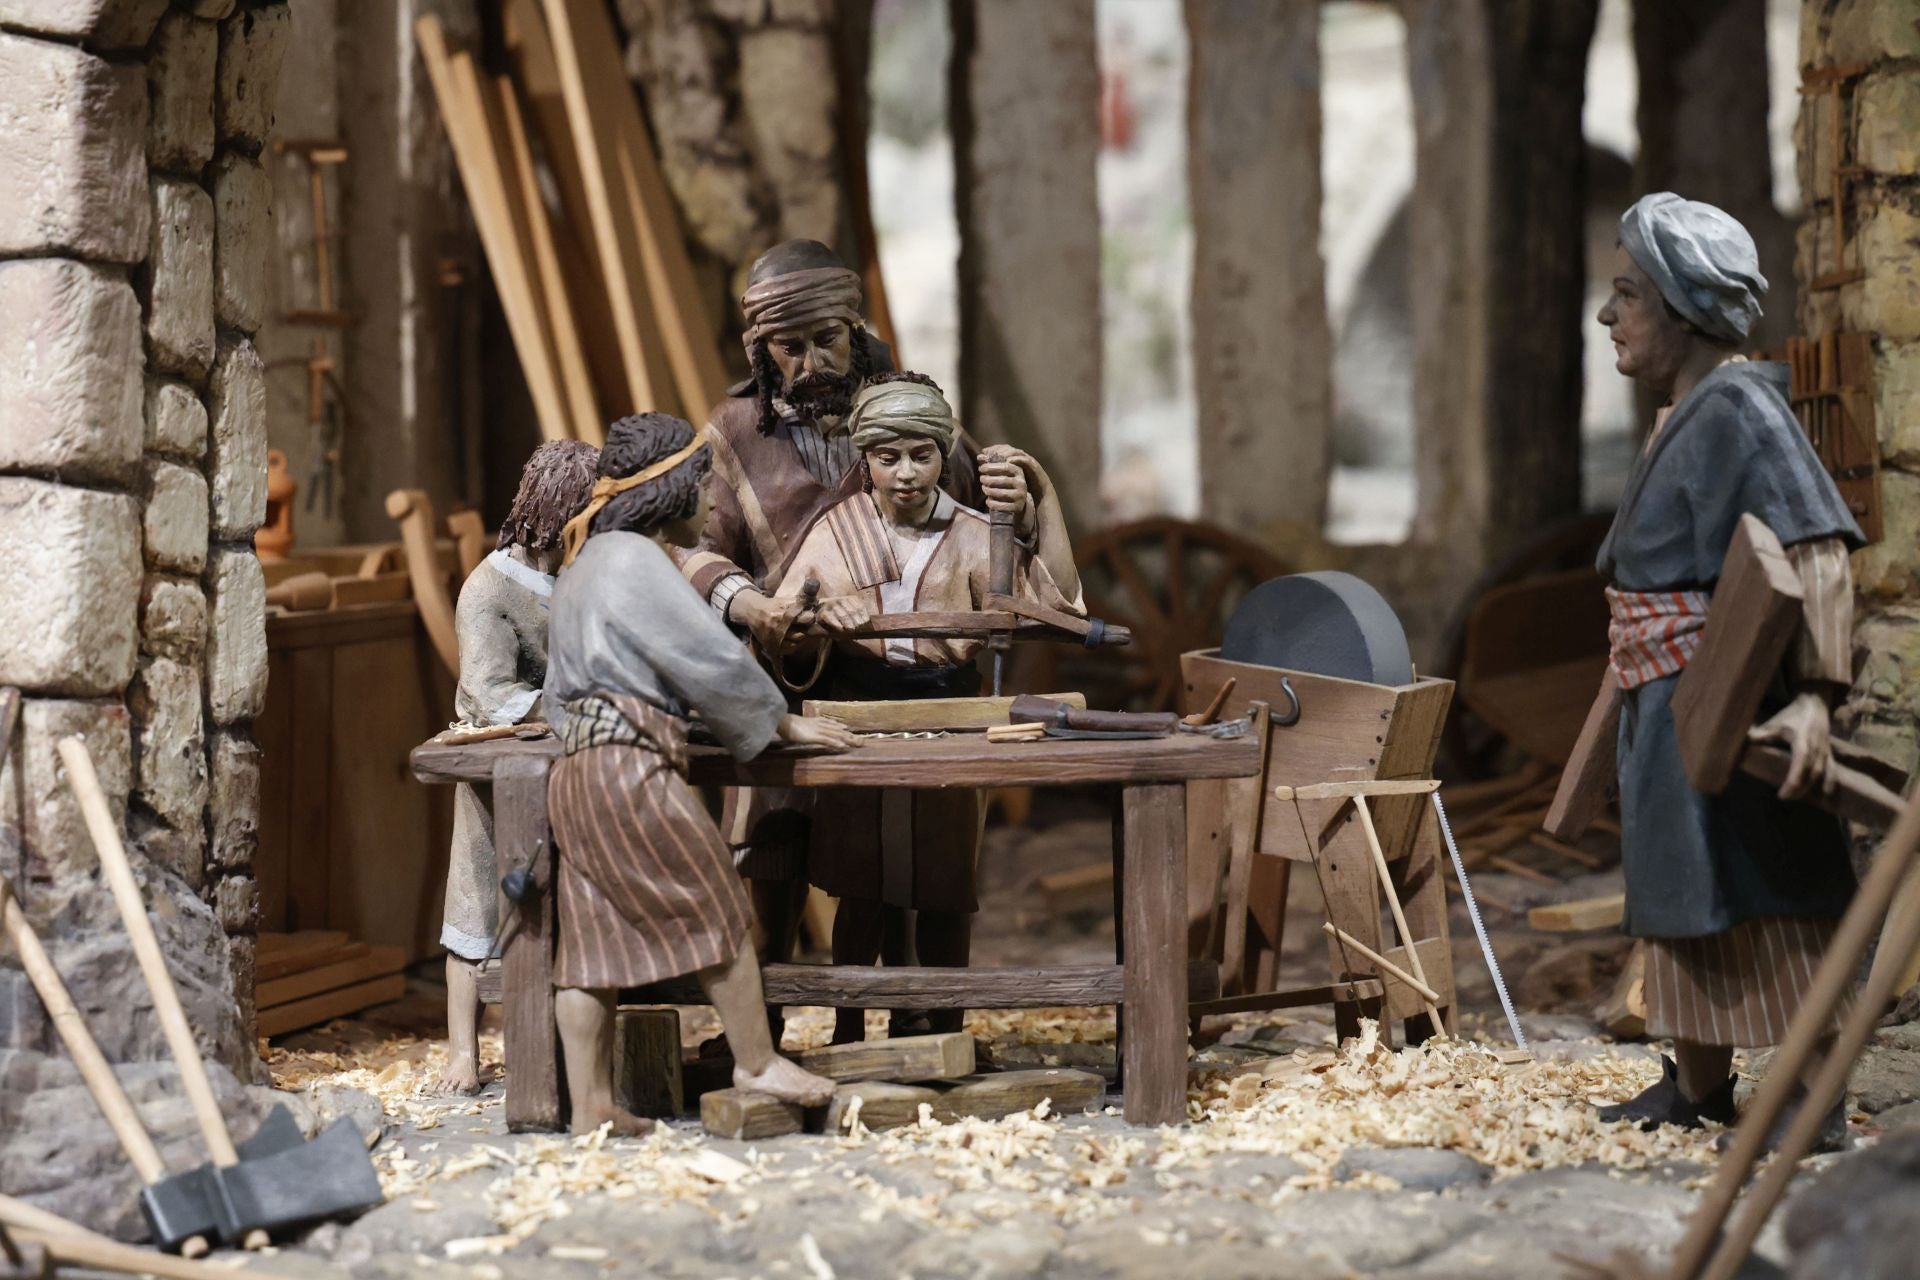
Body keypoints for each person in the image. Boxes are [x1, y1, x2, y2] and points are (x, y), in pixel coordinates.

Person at [675, 239, 1036, 984]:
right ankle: (761, 1035)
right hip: (786, 687)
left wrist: (1022, 503)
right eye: (790, 347)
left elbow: (984, 531)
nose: (811, 363)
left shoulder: (912, 413)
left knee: (920, 864)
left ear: (856, 327)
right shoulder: (736, 431)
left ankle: (928, 1015)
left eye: (827, 340)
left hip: (911, 688)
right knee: (769, 853)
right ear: (762, 349)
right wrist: (756, 606)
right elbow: (694, 550)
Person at [1590, 192, 1863, 1149]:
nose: (1607, 314)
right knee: (1681, 903)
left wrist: (1818, 705)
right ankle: (1698, 1084)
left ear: (1679, 305)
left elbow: (1818, 551)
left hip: (1729, 700)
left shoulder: (1741, 407)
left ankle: (1803, 1097)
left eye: (1626, 293)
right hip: (1664, 707)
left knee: (1762, 894)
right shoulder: (1683, 413)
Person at [542, 413, 861, 1134]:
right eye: (702, 484)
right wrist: (778, 718)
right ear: (668, 490)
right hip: (630, 770)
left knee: (589, 946)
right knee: (719, 907)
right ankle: (756, 1061)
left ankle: (591, 1105)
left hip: (579, 771)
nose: (712, 502)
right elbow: (704, 656)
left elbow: (562, 692)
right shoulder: (635, 560)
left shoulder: (582, 563)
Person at [775, 374, 1083, 1042]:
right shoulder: (839, 530)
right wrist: (820, 616)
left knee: (943, 877)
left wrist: (1043, 504)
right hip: (857, 719)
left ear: (946, 455)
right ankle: (849, 1028)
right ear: (867, 460)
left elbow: (1058, 610)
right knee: (860, 879)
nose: (906, 473)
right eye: (888, 458)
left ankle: (941, 1023)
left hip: (949, 718)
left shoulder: (977, 534)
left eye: (922, 454)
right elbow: (781, 627)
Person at [433, 439, 598, 1096]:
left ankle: (558, 1036)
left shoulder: (571, 577)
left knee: (554, 903)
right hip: (499, 762)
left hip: (563, 765)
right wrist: (568, 707)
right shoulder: (490, 590)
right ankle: (463, 1054)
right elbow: (489, 689)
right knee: (476, 902)